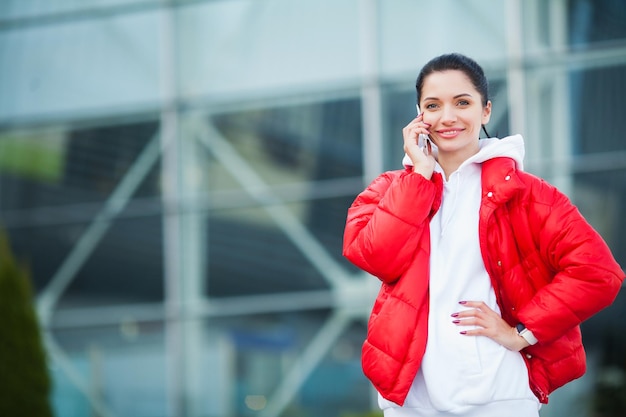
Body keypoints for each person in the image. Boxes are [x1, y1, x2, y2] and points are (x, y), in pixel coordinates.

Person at [342, 53, 625, 417]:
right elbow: (375, 257)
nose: (447, 117)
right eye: (433, 105)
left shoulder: (528, 195)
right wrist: (418, 177)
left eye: (462, 102)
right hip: (412, 400)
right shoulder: (391, 189)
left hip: (498, 395)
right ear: (419, 116)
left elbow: (599, 274)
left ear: (486, 111)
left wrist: (522, 331)